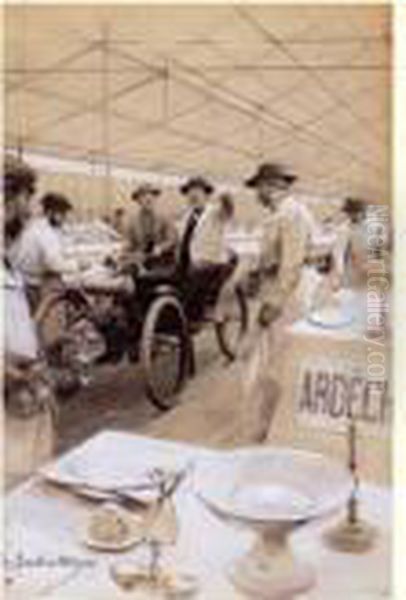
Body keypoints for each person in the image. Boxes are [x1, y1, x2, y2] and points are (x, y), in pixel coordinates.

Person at [3, 155, 56, 488]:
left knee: (32, 481)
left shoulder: (6, 257)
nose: (24, 211)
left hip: (24, 396)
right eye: (21, 199)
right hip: (9, 402)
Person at [11, 191, 73, 310]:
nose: (64, 217)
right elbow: (53, 264)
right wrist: (78, 265)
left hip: (23, 281)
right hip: (33, 285)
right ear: (50, 213)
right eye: (62, 213)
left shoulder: (35, 226)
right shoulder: (45, 232)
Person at [126, 183, 177, 268]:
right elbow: (130, 241)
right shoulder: (133, 220)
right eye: (143, 196)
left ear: (155, 199)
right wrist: (125, 248)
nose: (148, 198)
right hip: (140, 262)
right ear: (138, 201)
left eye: (151, 196)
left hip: (162, 262)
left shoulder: (165, 217)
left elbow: (172, 239)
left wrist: (161, 248)